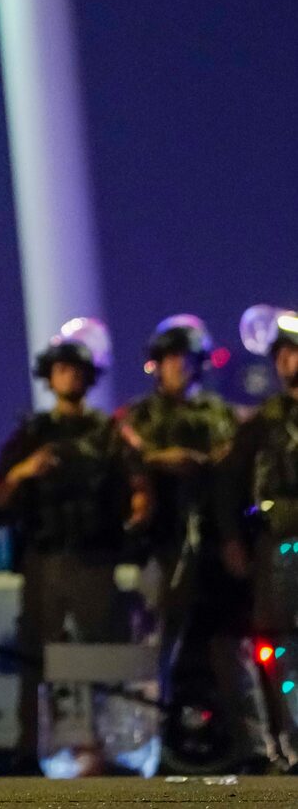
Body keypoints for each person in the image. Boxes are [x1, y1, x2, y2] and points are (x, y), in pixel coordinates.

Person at [122, 315, 270, 771]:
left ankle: (256, 748)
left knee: (232, 648)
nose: (177, 367)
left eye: (185, 358)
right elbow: (130, 453)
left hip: (213, 546)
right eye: (169, 359)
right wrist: (171, 462)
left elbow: (233, 464)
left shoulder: (221, 415)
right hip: (160, 548)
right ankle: (145, 750)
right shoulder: (139, 416)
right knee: (153, 651)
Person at [0, 330, 144, 770]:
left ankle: (104, 747)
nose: (69, 377)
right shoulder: (33, 433)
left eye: (76, 370)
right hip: (46, 559)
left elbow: (137, 487)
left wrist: (137, 510)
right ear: (49, 377)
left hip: (95, 558)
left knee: (99, 655)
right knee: (35, 656)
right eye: (61, 369)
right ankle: (31, 749)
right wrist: (26, 470)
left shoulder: (108, 433)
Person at [219, 307, 298, 771]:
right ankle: (284, 745)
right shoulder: (262, 424)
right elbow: (228, 484)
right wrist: (232, 538)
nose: (286, 360)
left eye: (293, 351)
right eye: (281, 354)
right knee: (273, 647)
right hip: (277, 547)